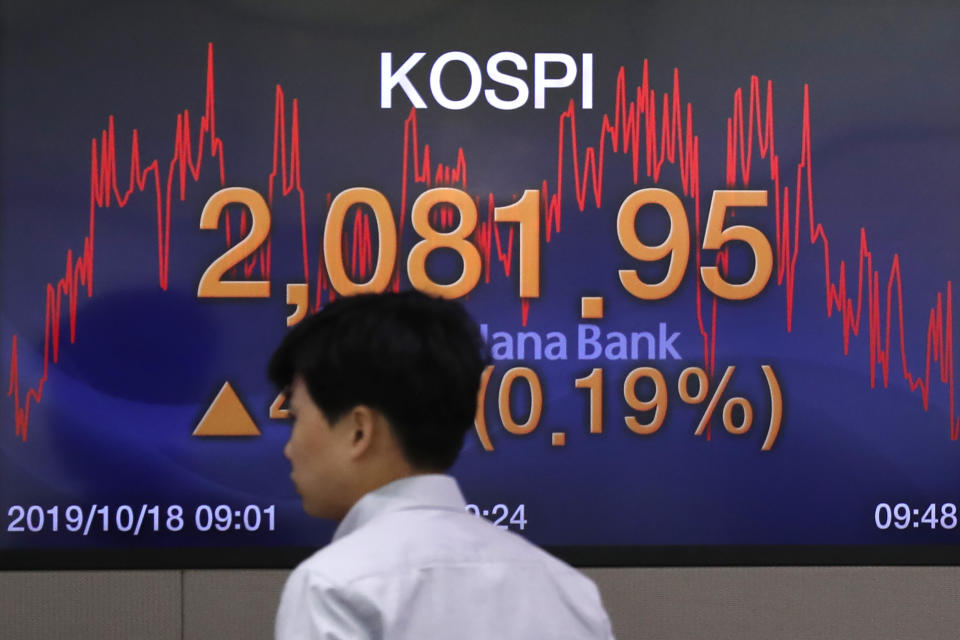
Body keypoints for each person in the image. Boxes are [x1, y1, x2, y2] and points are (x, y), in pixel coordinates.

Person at [269, 290, 615, 639]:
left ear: (360, 430)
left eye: (296, 417)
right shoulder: (568, 592)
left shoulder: (334, 588)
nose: (289, 448)